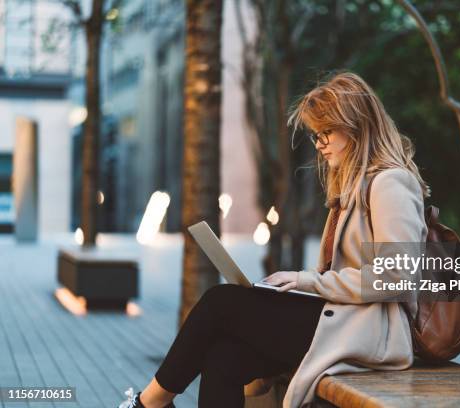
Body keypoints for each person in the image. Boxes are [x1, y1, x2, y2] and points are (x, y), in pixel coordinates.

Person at [117, 71, 430, 408]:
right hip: (342, 320)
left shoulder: (391, 183)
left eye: (327, 132)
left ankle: (150, 403)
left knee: (220, 302)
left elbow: (397, 277)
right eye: (315, 135)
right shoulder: (351, 189)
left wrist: (306, 281)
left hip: (372, 331)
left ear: (358, 127)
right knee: (224, 357)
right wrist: (301, 286)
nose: (320, 144)